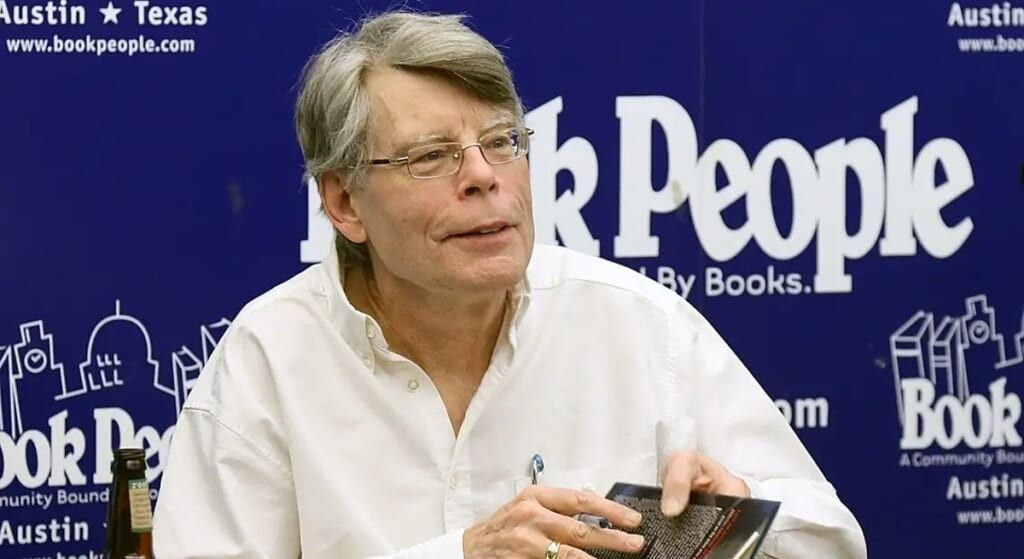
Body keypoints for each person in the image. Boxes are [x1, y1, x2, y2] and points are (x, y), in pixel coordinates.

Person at [153, 10, 867, 559]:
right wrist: (463, 552)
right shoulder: (269, 358)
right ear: (344, 203)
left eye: (502, 142)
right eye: (432, 156)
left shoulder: (637, 324)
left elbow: (834, 538)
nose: (484, 176)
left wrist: (742, 516)